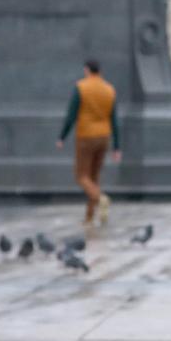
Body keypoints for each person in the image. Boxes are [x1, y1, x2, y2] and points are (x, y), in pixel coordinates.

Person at [56, 59, 121, 227]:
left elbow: (72, 115)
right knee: (94, 177)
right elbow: (114, 119)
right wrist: (117, 146)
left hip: (85, 136)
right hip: (104, 137)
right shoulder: (109, 89)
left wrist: (62, 136)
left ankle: (100, 198)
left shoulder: (81, 88)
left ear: (86, 70)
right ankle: (89, 217)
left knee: (82, 176)